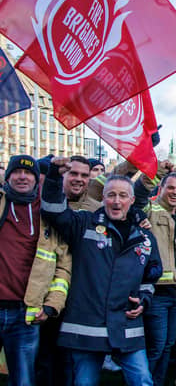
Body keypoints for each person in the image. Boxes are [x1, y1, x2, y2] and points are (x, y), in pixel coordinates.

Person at [41, 159, 162, 386]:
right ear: (102, 198)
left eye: (123, 196)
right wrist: (54, 177)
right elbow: (53, 211)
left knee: (143, 380)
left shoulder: (145, 237)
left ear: (132, 201)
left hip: (127, 325)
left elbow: (152, 274)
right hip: (87, 326)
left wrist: (144, 300)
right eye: (111, 195)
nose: (117, 201)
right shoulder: (84, 224)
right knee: (85, 382)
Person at [0, 155, 71, 385]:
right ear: (7, 177)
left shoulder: (49, 213)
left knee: (23, 381)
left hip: (25, 314)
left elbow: (63, 266)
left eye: (28, 172)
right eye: (16, 172)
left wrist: (52, 305)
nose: (22, 176)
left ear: (35, 178)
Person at [135, 168, 176, 386]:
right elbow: (138, 201)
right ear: (161, 188)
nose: (174, 192)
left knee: (168, 344)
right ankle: (143, 382)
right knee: (157, 345)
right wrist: (150, 176)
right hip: (157, 290)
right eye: (170, 187)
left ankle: (157, 381)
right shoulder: (151, 210)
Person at [37, 156, 101, 386]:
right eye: (73, 173)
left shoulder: (96, 209)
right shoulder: (43, 200)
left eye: (84, 175)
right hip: (44, 293)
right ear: (63, 174)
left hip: (77, 294)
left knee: (69, 360)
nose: (79, 179)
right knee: (44, 359)